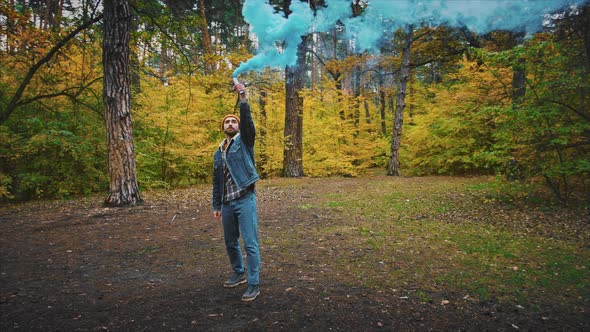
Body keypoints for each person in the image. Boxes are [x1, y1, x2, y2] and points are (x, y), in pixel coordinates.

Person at [212, 82, 261, 302]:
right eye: (227, 122)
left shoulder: (244, 142)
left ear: (238, 126)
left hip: (244, 199)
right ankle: (238, 272)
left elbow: (249, 124)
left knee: (250, 243)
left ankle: (253, 283)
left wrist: (243, 98)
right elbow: (217, 181)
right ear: (223, 127)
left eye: (234, 121)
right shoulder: (218, 151)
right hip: (227, 203)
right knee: (230, 242)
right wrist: (216, 205)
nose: (230, 123)